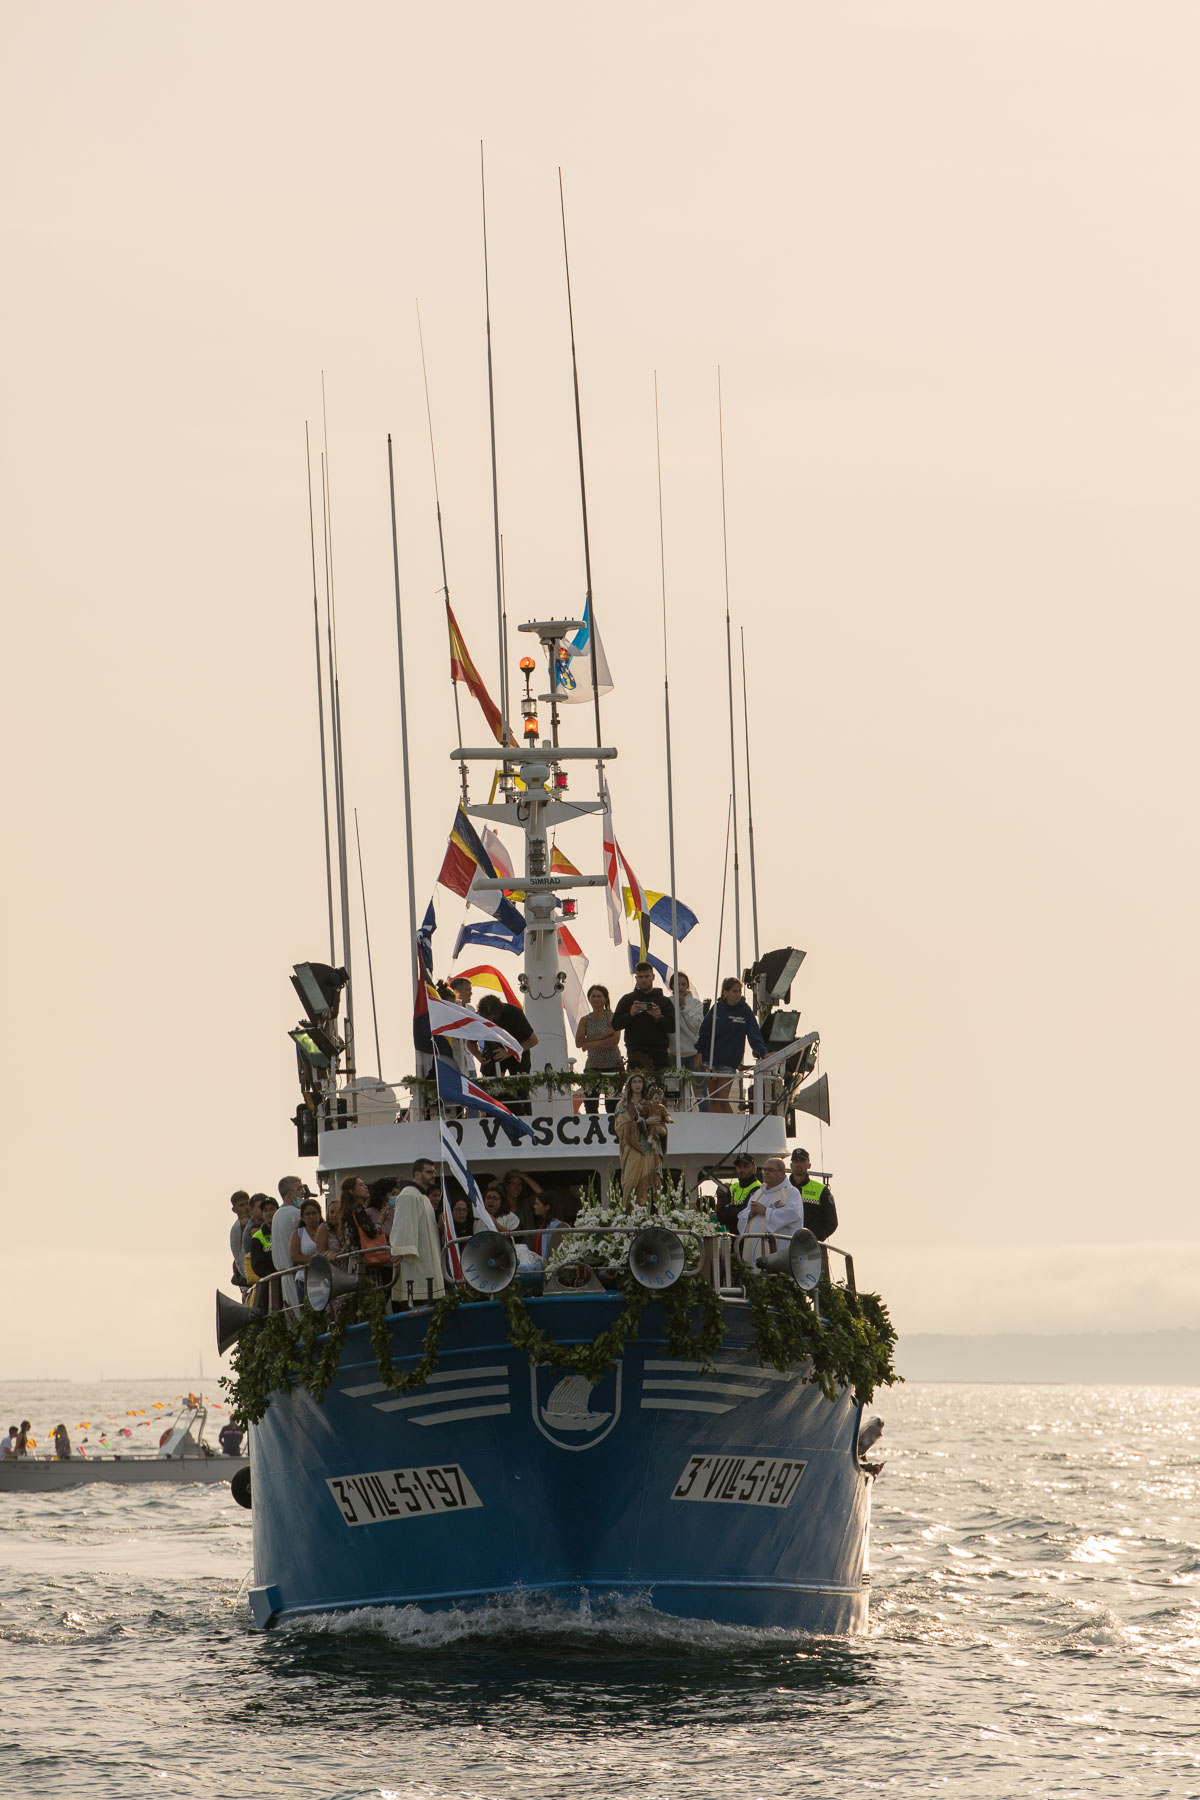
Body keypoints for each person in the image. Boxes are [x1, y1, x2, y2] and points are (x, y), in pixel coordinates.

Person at [696, 977, 767, 1113]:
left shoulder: (745, 1011)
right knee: (714, 1098)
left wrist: (762, 1052)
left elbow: (754, 1034)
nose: (738, 994)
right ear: (725, 992)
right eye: (734, 991)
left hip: (729, 1060)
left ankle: (732, 1128)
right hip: (709, 1058)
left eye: (739, 991)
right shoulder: (716, 1008)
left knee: (722, 1098)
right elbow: (704, 1031)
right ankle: (716, 1127)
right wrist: (699, 1051)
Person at [390, 1159, 445, 1306]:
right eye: (429, 1172)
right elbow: (404, 1229)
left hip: (428, 1267)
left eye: (434, 1172)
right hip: (416, 1269)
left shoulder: (423, 1197)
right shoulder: (409, 1194)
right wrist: (401, 1250)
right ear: (417, 1174)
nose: (433, 1175)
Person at [737, 1156, 804, 1265]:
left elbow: (793, 1214)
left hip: (779, 1249)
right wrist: (750, 1214)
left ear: (782, 1173)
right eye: (765, 1170)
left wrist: (766, 1211)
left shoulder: (791, 1193)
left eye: (770, 1170)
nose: (766, 1173)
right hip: (753, 1248)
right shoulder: (758, 1194)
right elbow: (741, 1216)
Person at [615, 1071, 666, 1206]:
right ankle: (628, 1211)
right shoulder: (622, 1105)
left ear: (644, 1085)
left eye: (640, 1082)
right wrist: (644, 1123)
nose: (637, 1085)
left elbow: (660, 1122)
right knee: (630, 1182)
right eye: (634, 1082)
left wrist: (659, 1130)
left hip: (649, 1148)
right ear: (629, 1084)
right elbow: (621, 1128)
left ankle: (649, 1211)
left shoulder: (650, 1103)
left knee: (650, 1181)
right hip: (632, 1147)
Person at [613, 963, 676, 1071]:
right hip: (635, 1053)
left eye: (647, 976)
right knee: (635, 1087)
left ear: (653, 977)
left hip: (660, 1054)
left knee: (666, 1087)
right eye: (641, 977)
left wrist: (659, 1017)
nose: (644, 980)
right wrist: (631, 1014)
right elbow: (615, 1025)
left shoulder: (664, 1001)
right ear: (636, 978)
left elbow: (672, 1027)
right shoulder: (628, 999)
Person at [575, 984, 623, 1113]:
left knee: (612, 1105)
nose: (596, 999)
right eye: (593, 996)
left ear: (606, 999)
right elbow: (579, 1043)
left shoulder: (612, 1017)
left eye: (599, 996)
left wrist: (592, 1043)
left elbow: (615, 1040)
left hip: (613, 1064)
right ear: (589, 999)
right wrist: (602, 1035)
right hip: (593, 1065)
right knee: (590, 1104)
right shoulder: (585, 1020)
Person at [789, 1148, 838, 1242]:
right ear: (791, 1165)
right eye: (795, 1161)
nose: (798, 1164)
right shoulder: (783, 1188)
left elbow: (832, 1222)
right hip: (787, 1244)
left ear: (809, 1165)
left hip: (813, 1247)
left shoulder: (821, 1190)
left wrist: (817, 1238)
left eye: (802, 1161)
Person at [272, 1176, 305, 1310]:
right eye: (300, 1188)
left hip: (283, 1275)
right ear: (290, 1194)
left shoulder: (277, 1215)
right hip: (296, 1273)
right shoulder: (296, 1214)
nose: (303, 1192)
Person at [712, 1153, 762, 1234]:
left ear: (754, 1169)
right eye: (739, 1167)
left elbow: (745, 1213)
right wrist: (735, 1210)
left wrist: (729, 1208)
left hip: (748, 1236)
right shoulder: (733, 1188)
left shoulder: (758, 1188)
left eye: (745, 1166)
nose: (741, 1170)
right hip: (732, 1236)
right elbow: (720, 1215)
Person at [667, 971, 705, 1068]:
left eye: (683, 984)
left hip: (693, 1053)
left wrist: (684, 1007)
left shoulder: (696, 1004)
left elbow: (697, 1026)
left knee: (698, 1083)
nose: (680, 987)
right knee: (675, 1083)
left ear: (687, 985)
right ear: (671, 986)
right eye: (677, 984)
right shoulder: (667, 1003)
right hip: (673, 1053)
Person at [498, 1169, 542, 1233]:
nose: (517, 1188)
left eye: (519, 1185)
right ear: (507, 1186)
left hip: (527, 1243)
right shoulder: (499, 1205)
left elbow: (543, 1195)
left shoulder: (526, 1204)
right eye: (513, 1184)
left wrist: (524, 1176)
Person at [228, 1191, 251, 1287]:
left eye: (247, 1203)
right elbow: (239, 1258)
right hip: (245, 1276)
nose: (246, 1207)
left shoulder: (249, 1222)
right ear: (234, 1210)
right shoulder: (238, 1227)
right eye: (241, 1205)